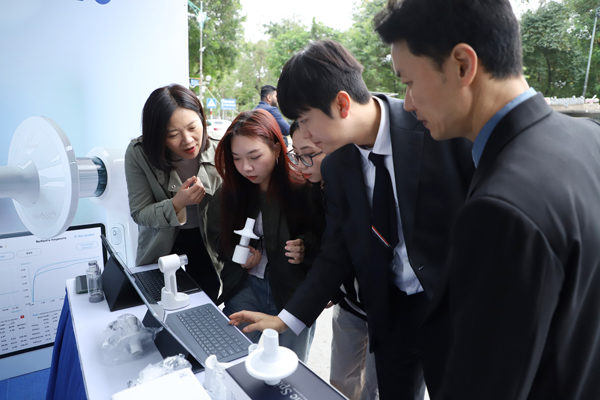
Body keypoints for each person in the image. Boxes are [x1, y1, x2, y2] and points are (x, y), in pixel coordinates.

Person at [374, 1, 600, 399]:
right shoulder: (589, 138)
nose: (407, 103)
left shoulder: (501, 209)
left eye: (408, 82)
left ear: (462, 65)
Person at [228, 40, 474, 400]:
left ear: (342, 104)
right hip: (392, 310)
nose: (304, 137)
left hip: (455, 305)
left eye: (306, 122)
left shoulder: (434, 124)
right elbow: (336, 250)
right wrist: (286, 319)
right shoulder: (339, 165)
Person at [206, 109, 321, 362]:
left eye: (255, 156)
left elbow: (324, 237)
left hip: (292, 292)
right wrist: (238, 252)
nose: (246, 167)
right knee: (230, 360)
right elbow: (216, 236)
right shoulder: (230, 192)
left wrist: (305, 247)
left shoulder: (302, 187)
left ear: (277, 149)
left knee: (289, 368)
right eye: (237, 159)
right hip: (245, 286)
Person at [289, 120, 379, 400]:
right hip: (348, 303)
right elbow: (327, 246)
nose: (301, 164)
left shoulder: (367, 184)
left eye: (308, 154)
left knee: (377, 386)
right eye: (296, 154)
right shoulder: (311, 190)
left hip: (386, 305)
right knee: (341, 379)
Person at [124, 83, 222, 302]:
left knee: (207, 305)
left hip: (209, 245)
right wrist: (176, 204)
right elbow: (139, 212)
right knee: (162, 304)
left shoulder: (219, 149)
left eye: (193, 127)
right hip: (163, 246)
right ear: (157, 135)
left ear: (202, 119)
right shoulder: (139, 154)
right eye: (173, 134)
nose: (188, 140)